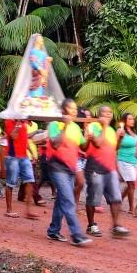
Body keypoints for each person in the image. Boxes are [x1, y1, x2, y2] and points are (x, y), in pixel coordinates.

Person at [45, 99, 92, 246]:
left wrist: (88, 137)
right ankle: (76, 234)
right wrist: (64, 126)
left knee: (62, 200)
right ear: (64, 110)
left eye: (75, 109)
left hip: (70, 168)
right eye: (71, 109)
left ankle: (53, 231)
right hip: (57, 167)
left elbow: (83, 147)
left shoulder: (76, 128)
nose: (74, 111)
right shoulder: (54, 124)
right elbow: (55, 143)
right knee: (68, 200)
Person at [84, 106, 130, 238]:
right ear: (99, 115)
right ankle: (91, 225)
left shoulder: (110, 130)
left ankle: (116, 226)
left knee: (116, 198)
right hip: (95, 168)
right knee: (93, 198)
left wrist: (120, 138)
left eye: (110, 112)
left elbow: (114, 148)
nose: (108, 114)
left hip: (110, 169)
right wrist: (104, 126)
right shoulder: (93, 126)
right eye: (105, 112)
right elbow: (98, 143)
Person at [4, 119, 38, 219]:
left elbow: (24, 138)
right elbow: (13, 136)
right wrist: (18, 124)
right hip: (13, 156)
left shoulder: (24, 123)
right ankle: (9, 210)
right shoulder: (9, 121)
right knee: (10, 183)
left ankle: (28, 211)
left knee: (30, 181)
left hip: (24, 156)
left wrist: (31, 152)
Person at [117, 113, 137, 214]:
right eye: (130, 119)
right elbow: (116, 145)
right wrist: (120, 137)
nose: (132, 120)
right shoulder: (121, 132)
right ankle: (131, 208)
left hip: (135, 161)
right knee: (132, 183)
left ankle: (119, 200)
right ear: (124, 121)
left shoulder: (133, 132)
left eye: (133, 119)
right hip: (124, 160)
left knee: (131, 184)